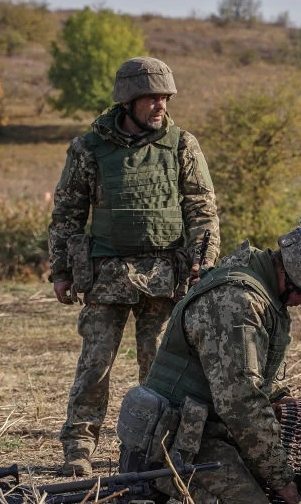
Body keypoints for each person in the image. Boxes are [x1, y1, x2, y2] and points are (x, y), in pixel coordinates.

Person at [48, 57, 220, 476]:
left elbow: (202, 208)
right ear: (128, 101)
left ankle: (156, 449)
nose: (160, 105)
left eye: (165, 96)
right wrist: (60, 270)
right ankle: (78, 448)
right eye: (151, 97)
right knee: (95, 364)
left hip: (164, 275)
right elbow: (67, 211)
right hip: (105, 275)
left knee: (160, 371)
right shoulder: (88, 148)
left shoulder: (182, 145)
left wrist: (203, 263)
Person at [114, 224, 301, 504]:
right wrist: (284, 483)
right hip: (173, 441)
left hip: (201, 429)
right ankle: (158, 484)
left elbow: (235, 375)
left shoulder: (253, 281)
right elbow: (241, 402)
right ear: (289, 275)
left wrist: (275, 399)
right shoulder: (237, 301)